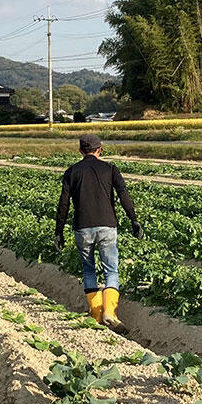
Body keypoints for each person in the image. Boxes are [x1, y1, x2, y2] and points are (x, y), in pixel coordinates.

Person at [54, 134, 142, 333]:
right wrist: (133, 219)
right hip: (107, 226)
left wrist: (58, 232)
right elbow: (123, 195)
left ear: (80, 152)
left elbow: (64, 204)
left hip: (82, 227)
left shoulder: (71, 172)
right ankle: (110, 311)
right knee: (111, 269)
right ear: (100, 150)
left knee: (88, 269)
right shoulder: (110, 169)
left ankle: (95, 313)